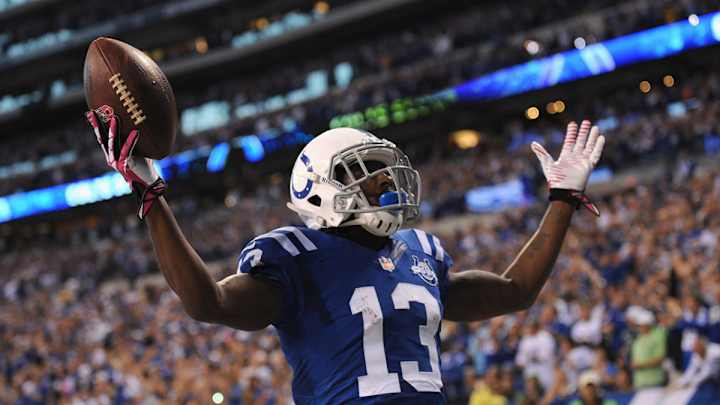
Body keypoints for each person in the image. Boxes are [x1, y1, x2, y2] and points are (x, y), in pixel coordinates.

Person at [85, 108, 604, 404]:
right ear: (319, 190)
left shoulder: (421, 252)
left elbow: (516, 291)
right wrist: (151, 196)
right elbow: (207, 302)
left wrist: (561, 200)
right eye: (365, 171)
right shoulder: (295, 256)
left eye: (381, 168)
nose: (383, 181)